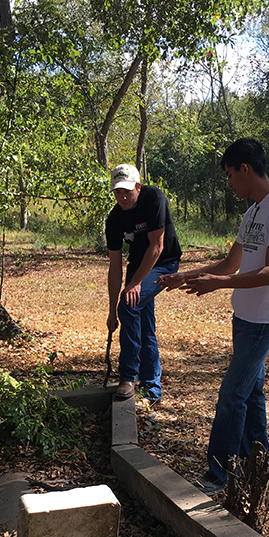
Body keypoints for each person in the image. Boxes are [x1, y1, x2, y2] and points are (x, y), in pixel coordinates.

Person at [158, 138, 269, 493]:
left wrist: (220, 284)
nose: (229, 184)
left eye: (230, 175)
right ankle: (258, 464)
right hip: (245, 315)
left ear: (245, 169)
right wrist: (186, 276)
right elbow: (230, 263)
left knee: (231, 395)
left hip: (266, 317)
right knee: (251, 393)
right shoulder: (252, 212)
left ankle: (219, 475)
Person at [106, 164, 182, 402]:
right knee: (141, 322)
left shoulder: (154, 198)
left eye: (127, 191)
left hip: (164, 262)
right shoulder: (114, 218)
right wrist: (111, 311)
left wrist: (136, 284)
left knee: (129, 306)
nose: (123, 197)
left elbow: (157, 246)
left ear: (138, 187)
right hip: (137, 267)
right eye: (118, 192)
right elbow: (115, 266)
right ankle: (152, 389)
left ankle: (128, 377)